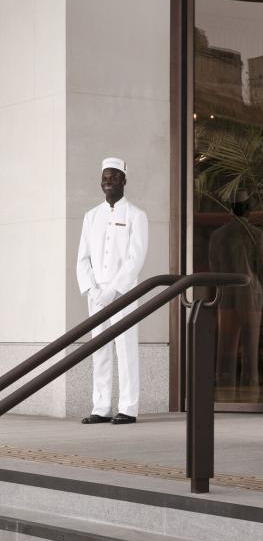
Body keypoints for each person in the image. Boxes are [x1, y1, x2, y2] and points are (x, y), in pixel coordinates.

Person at [76, 158, 149, 424]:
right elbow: (82, 258)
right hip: (96, 294)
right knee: (99, 349)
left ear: (124, 181)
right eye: (105, 178)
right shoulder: (91, 216)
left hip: (124, 293)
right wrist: (91, 288)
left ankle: (128, 408)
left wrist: (115, 289)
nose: (109, 182)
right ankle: (101, 407)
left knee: (125, 348)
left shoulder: (136, 216)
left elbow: (135, 258)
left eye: (115, 177)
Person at [208, 189, 263, 391]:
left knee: (226, 350)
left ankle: (224, 389)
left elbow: (214, 269)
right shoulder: (257, 235)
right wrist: (260, 299)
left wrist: (219, 293)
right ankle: (251, 391)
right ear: (248, 209)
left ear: (231, 209)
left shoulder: (217, 236)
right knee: (251, 350)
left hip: (226, 296)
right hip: (251, 296)